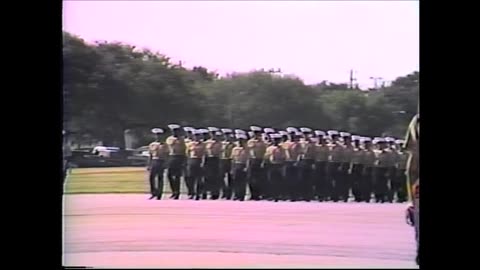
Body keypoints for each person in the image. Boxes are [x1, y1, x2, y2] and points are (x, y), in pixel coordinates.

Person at [264, 133, 288, 202]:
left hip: (279, 165)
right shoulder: (269, 148)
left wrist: (282, 164)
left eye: (277, 140)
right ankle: (272, 195)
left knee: (279, 181)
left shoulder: (282, 149)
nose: (276, 141)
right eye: (275, 140)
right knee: (271, 181)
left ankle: (279, 195)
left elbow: (284, 157)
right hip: (272, 165)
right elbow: (266, 157)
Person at [166, 124, 187, 200]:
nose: (174, 132)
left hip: (179, 157)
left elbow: (184, 150)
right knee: (169, 175)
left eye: (175, 131)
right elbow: (167, 149)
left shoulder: (181, 139)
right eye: (173, 131)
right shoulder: (169, 139)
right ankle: (173, 191)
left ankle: (177, 192)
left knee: (177, 176)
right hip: (171, 157)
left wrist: (184, 160)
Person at [247, 126, 267, 200]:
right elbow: (247, 152)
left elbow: (264, 152)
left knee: (258, 178)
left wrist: (263, 161)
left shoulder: (262, 143)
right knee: (250, 179)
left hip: (259, 160)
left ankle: (257, 194)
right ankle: (252, 194)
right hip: (251, 160)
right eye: (254, 133)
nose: (255, 135)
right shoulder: (250, 142)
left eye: (257, 133)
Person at [147, 128, 168, 200]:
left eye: (159, 135)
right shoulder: (152, 144)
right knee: (151, 178)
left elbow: (166, 155)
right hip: (154, 161)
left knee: (160, 178)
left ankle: (159, 193)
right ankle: (153, 192)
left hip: (161, 161)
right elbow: (150, 155)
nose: (157, 136)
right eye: (156, 135)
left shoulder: (164, 145)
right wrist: (149, 164)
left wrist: (166, 163)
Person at [186, 130, 206, 200]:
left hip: (199, 161)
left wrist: (203, 163)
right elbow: (187, 153)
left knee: (199, 179)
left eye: (198, 135)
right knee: (190, 178)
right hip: (191, 161)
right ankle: (191, 193)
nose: (196, 137)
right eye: (195, 135)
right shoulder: (190, 144)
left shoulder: (203, 144)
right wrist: (188, 162)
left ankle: (198, 193)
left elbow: (204, 154)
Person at [283, 128, 303, 201]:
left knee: (295, 180)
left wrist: (297, 162)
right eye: (290, 134)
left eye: (292, 134)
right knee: (287, 179)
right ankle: (289, 195)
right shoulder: (285, 143)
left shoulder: (297, 144)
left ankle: (295, 195)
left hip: (294, 162)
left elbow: (300, 154)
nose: (291, 136)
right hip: (287, 162)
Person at [204, 128, 223, 200]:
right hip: (208, 160)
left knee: (215, 178)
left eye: (214, 133)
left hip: (216, 160)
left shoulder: (219, 143)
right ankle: (206, 192)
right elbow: (205, 152)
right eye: (211, 133)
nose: (213, 135)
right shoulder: (207, 143)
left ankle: (215, 193)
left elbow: (221, 153)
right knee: (208, 177)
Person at [230, 133, 250, 201]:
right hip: (236, 165)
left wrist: (246, 167)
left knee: (242, 182)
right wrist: (232, 168)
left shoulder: (247, 149)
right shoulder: (235, 149)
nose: (240, 142)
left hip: (243, 165)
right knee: (235, 181)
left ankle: (242, 195)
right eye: (239, 140)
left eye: (241, 140)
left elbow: (248, 159)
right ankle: (236, 195)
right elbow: (232, 159)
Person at [299, 127, 316, 201]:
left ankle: (309, 195)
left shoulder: (312, 143)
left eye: (306, 134)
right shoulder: (301, 142)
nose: (305, 136)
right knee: (301, 179)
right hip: (302, 161)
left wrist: (313, 162)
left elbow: (314, 153)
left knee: (309, 179)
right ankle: (302, 194)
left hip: (309, 161)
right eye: (304, 134)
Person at [327, 130, 343, 202]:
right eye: (332, 137)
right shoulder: (327, 145)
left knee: (336, 181)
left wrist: (341, 165)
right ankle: (329, 195)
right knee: (328, 181)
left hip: (336, 164)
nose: (333, 139)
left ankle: (336, 196)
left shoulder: (340, 147)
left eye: (334, 137)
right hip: (328, 164)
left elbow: (343, 157)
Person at [314, 131, 330, 201]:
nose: (319, 139)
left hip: (323, 164)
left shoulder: (326, 147)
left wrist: (327, 165)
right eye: (318, 138)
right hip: (317, 164)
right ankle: (318, 194)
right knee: (317, 180)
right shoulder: (315, 146)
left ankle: (324, 195)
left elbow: (327, 156)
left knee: (324, 180)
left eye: (320, 138)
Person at [220, 128, 235, 199]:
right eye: (225, 135)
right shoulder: (221, 143)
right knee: (220, 177)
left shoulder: (234, 144)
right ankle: (224, 192)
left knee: (230, 178)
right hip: (222, 160)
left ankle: (230, 193)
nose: (226, 137)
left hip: (230, 160)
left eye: (228, 135)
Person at [373, 138, 390, 203]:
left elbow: (389, 162)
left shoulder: (387, 153)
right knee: (376, 184)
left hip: (384, 169)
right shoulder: (374, 152)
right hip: (376, 169)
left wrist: (388, 171)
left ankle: (383, 197)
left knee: (383, 184)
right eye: (379, 144)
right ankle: (377, 197)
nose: (380, 146)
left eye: (382, 144)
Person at [360, 137, 376, 203]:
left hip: (368, 168)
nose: (366, 145)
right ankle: (362, 196)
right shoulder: (361, 151)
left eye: (367, 144)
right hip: (360, 168)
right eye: (364, 144)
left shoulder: (371, 152)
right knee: (361, 183)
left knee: (368, 184)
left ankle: (367, 197)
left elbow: (373, 161)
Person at [339, 132, 353, 202]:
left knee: (346, 182)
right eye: (344, 139)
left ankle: (345, 196)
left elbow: (352, 158)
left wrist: (350, 167)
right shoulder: (341, 147)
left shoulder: (351, 148)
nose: (345, 141)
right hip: (341, 165)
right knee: (340, 181)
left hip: (348, 165)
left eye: (346, 139)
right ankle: (341, 195)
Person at [350, 135, 365, 202]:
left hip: (360, 167)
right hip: (353, 166)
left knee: (359, 183)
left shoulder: (362, 151)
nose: (356, 143)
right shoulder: (352, 150)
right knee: (353, 183)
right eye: (355, 142)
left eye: (357, 142)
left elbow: (364, 160)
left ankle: (360, 196)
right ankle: (355, 195)